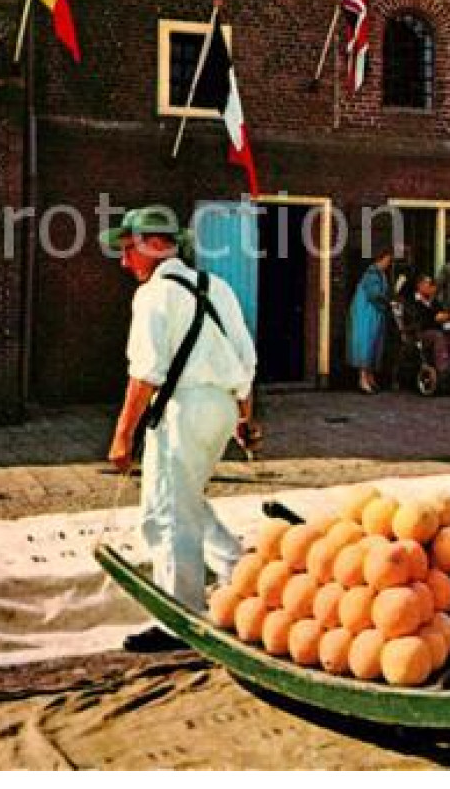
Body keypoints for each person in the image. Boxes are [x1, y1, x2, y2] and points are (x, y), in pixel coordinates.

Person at [103, 206, 257, 649]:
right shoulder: (217, 287)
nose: (123, 260)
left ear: (152, 246)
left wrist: (122, 435)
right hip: (221, 408)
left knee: (169, 514)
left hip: (183, 410)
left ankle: (179, 619)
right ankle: (238, 571)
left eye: (128, 249)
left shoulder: (153, 295)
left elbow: (146, 373)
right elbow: (245, 359)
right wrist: (245, 418)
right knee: (179, 501)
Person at [347, 250, 393, 394]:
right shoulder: (372, 274)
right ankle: (363, 379)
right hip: (366, 315)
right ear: (381, 260)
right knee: (367, 345)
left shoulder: (379, 274)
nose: (388, 263)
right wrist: (389, 301)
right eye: (387, 260)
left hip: (373, 314)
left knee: (372, 345)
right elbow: (374, 294)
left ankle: (369, 377)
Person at [405, 274, 450, 375]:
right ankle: (443, 367)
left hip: (438, 330)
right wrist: (439, 317)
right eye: (429, 284)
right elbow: (422, 319)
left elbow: (442, 314)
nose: (432, 287)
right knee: (437, 335)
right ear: (420, 286)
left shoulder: (433, 301)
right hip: (420, 333)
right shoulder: (413, 301)